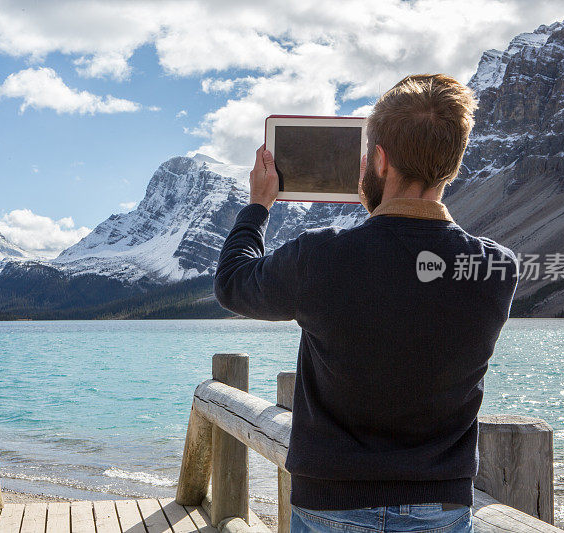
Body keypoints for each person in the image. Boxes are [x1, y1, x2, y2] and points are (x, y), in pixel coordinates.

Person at [213, 74, 519, 533]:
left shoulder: (319, 256)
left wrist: (259, 206)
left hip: (329, 506)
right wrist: (383, 211)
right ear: (452, 166)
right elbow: (403, 262)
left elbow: (233, 283)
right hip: (441, 507)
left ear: (378, 159)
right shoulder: (497, 269)